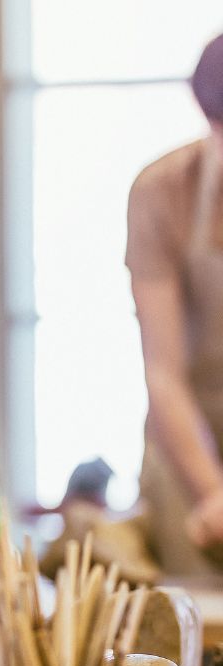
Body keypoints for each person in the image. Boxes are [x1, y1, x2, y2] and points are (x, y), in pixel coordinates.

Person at [129, 32, 223, 575]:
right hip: (186, 434)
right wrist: (213, 495)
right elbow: (163, 372)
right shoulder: (161, 192)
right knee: (197, 625)